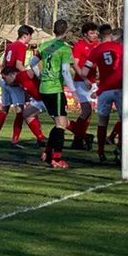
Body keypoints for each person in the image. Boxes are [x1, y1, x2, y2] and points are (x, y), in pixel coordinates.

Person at [36, 19, 74, 168]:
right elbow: (65, 71)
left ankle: (47, 152)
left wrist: (41, 75)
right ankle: (56, 159)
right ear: (66, 32)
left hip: (44, 88)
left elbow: (32, 63)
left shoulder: (45, 46)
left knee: (60, 123)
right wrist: (74, 91)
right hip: (55, 89)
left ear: (53, 30)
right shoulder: (65, 49)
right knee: (61, 124)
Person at [5, 25, 47, 147]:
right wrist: (25, 76)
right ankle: (15, 140)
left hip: (7, 79)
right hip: (16, 81)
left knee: (27, 109)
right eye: (30, 36)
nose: (30, 39)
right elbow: (19, 64)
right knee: (21, 111)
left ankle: (40, 137)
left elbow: (4, 64)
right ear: (26, 35)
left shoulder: (10, 46)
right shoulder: (21, 46)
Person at [87, 27, 122, 163]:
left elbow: (85, 70)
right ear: (111, 35)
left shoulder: (96, 50)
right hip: (119, 88)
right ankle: (119, 149)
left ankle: (101, 152)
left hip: (104, 90)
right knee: (124, 120)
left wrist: (91, 76)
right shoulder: (119, 48)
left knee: (102, 122)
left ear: (100, 36)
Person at [67, 22, 99, 149]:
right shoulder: (79, 45)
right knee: (86, 110)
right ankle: (80, 137)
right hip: (81, 82)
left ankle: (79, 139)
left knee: (88, 113)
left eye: (96, 32)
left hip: (94, 82)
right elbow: (75, 64)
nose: (95, 35)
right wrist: (84, 77)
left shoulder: (97, 45)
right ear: (85, 34)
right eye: (92, 33)